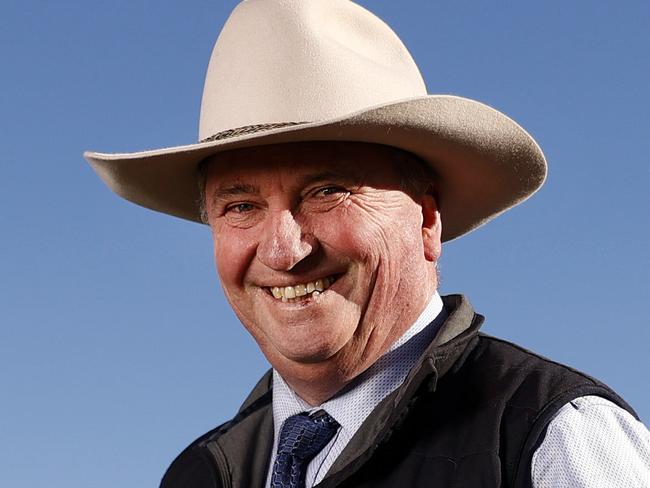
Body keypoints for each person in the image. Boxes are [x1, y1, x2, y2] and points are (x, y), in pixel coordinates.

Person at [84, 1, 650, 487]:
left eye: (327, 191)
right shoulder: (200, 474)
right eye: (241, 207)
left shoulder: (552, 436)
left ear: (428, 219)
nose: (284, 251)